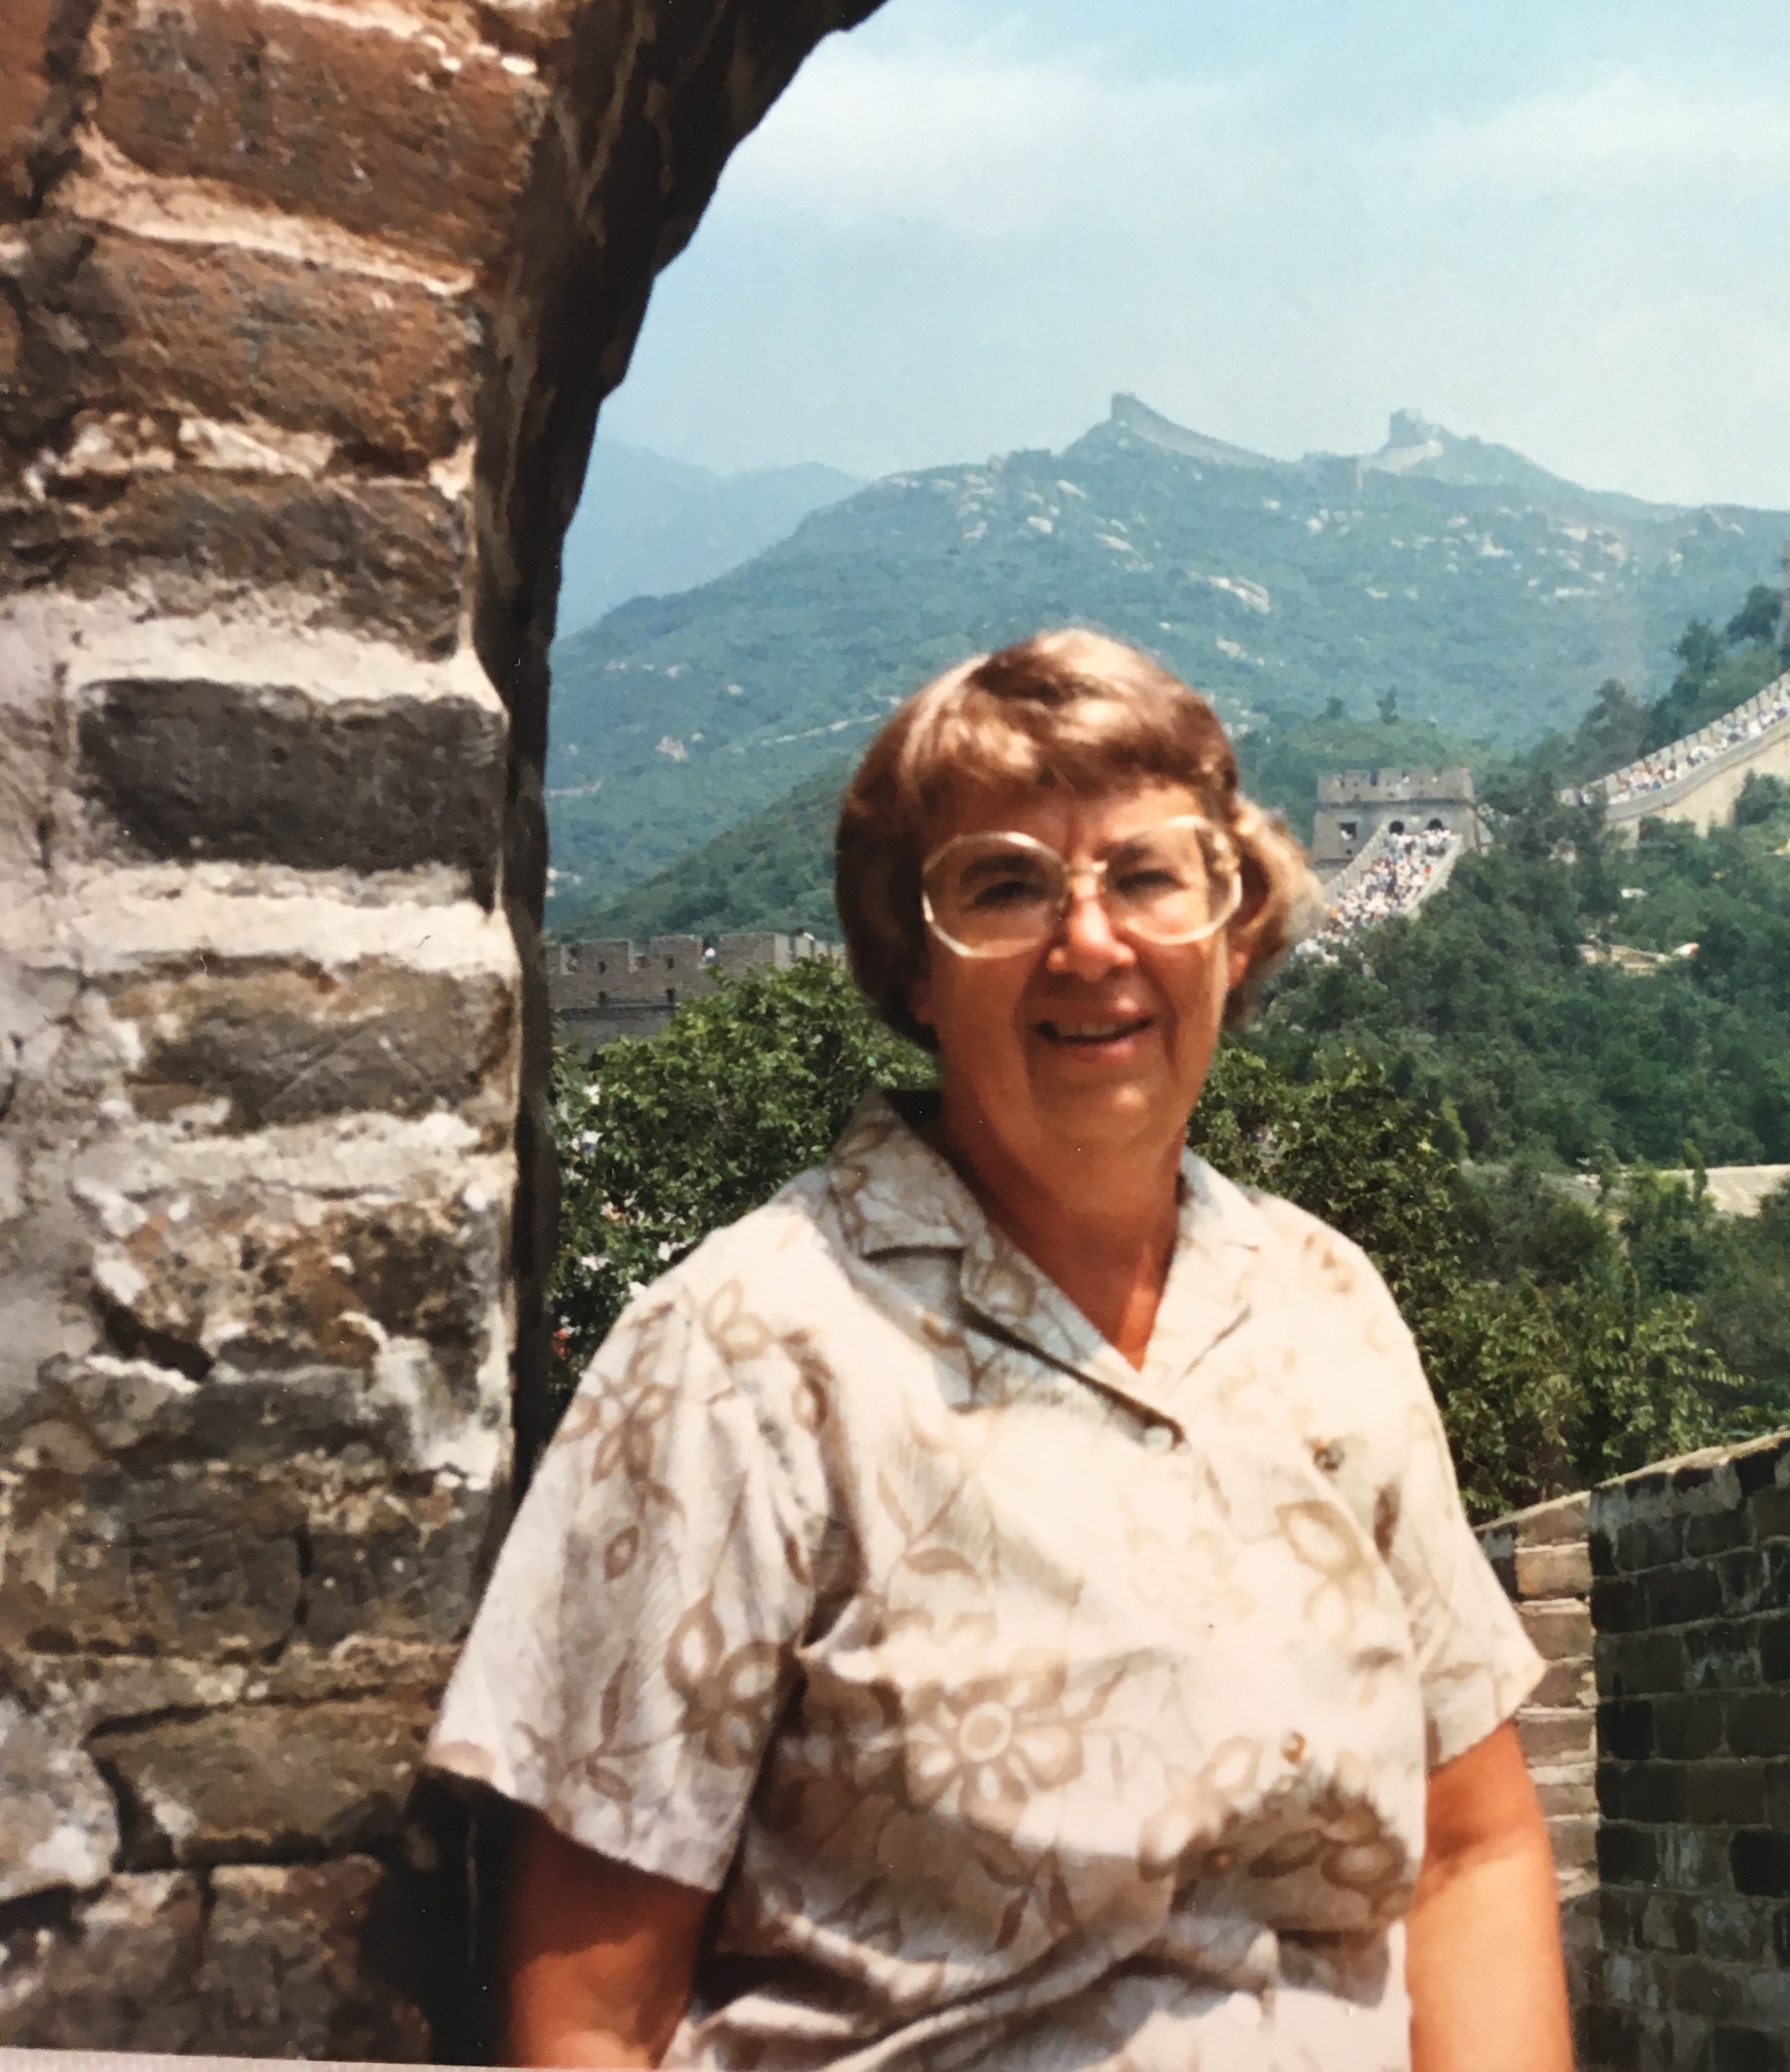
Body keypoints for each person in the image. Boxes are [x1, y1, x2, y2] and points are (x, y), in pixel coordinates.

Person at [426, 631, 1571, 2071]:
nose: (1089, 942)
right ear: (913, 968)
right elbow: (592, 2011)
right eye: (1007, 886)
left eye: (1148, 875)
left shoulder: (1322, 1304)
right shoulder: (745, 1358)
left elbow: (1472, 1849)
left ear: (1232, 929)